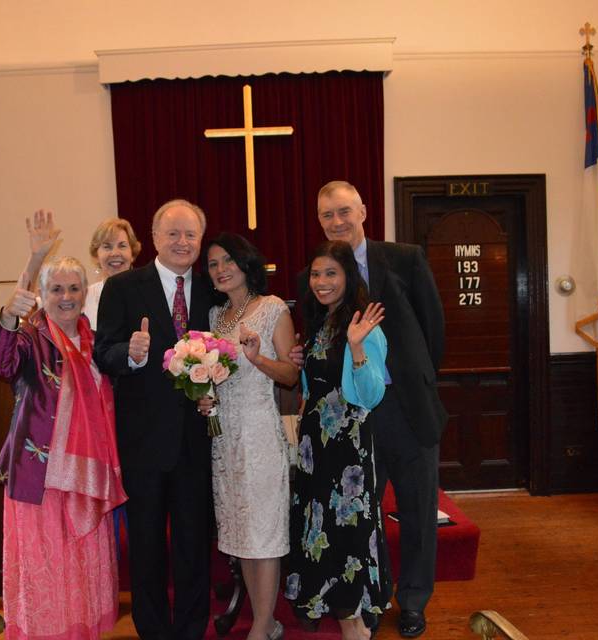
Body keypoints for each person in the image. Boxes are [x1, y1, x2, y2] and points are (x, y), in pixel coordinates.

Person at [299, 181, 447, 638]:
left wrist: (415, 383)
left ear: (363, 210)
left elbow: (433, 327)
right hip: (352, 418)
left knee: (418, 507)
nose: (337, 221)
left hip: (405, 408)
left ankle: (415, 599)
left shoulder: (404, 259)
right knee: (363, 513)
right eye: (327, 215)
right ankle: (373, 594)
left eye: (344, 211)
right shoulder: (320, 274)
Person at [0, 236, 127, 640]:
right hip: (38, 478)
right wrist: (18, 295)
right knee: (45, 569)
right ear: (42, 296)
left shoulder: (97, 342)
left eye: (74, 288)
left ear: (86, 293)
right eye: (57, 289)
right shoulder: (30, 338)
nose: (66, 297)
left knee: (81, 571)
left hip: (86, 480)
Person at [94, 199, 214, 640]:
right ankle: (154, 631)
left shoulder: (210, 290)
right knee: (145, 545)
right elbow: (102, 351)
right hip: (143, 441)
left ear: (200, 241)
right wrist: (130, 353)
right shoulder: (124, 288)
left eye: (191, 235)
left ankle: (190, 629)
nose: (182, 242)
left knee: (193, 544)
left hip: (198, 441)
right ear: (155, 237)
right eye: (173, 234)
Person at [285, 240, 391, 640]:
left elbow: (371, 395)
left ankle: (356, 630)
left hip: (347, 452)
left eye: (331, 273)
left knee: (346, 542)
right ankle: (350, 625)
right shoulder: (320, 321)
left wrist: (359, 346)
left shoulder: (363, 324)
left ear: (349, 275)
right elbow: (312, 389)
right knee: (324, 538)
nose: (321, 281)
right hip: (316, 451)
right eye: (316, 273)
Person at [199, 233, 299, 640]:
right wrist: (203, 397)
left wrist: (257, 358)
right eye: (213, 264)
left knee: (264, 531)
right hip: (223, 436)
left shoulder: (273, 308)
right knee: (241, 531)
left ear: (245, 263)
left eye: (228, 261)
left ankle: (261, 625)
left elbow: (291, 376)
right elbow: (211, 375)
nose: (221, 270)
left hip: (259, 429)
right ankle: (266, 620)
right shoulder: (213, 317)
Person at [84, 218, 142, 330]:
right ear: (96, 255)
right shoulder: (84, 298)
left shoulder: (148, 294)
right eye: (107, 247)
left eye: (122, 246)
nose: (115, 253)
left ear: (132, 253)